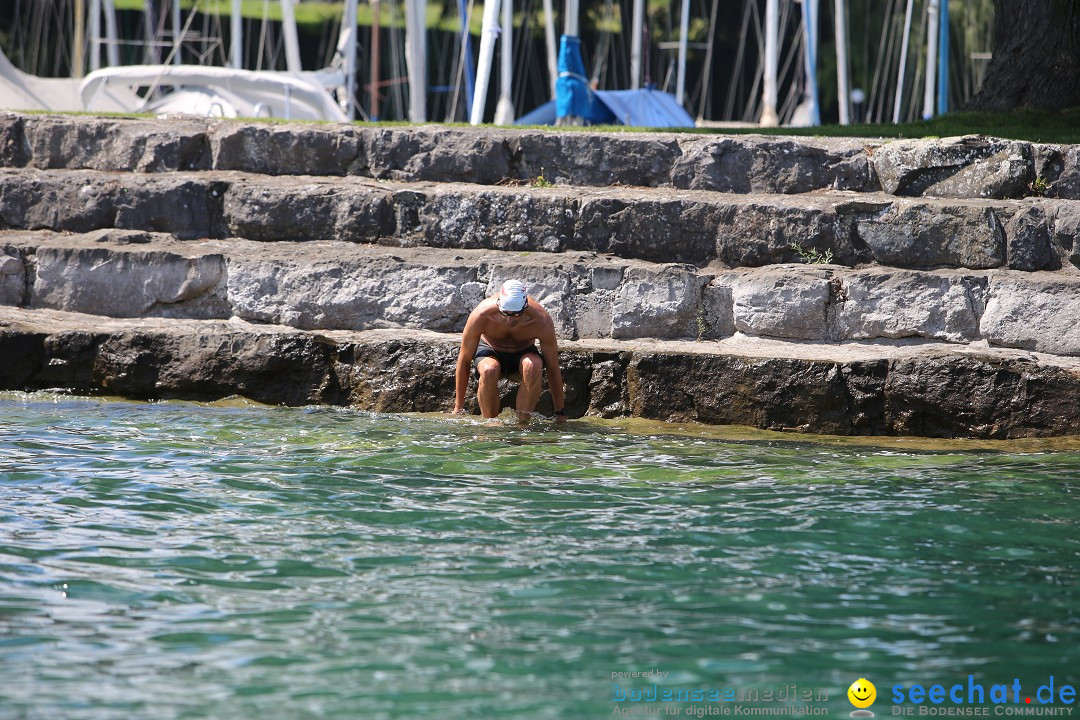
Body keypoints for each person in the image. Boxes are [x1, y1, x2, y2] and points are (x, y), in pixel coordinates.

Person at [452, 279, 567, 424]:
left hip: (523, 351)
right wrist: (458, 407)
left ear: (525, 306)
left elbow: (553, 366)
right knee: (489, 370)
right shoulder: (481, 315)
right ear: (499, 304)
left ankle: (522, 424)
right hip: (490, 350)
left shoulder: (541, 320)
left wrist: (560, 413)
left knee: (533, 366)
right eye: (505, 313)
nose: (510, 321)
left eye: (516, 315)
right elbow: (464, 359)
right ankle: (490, 424)